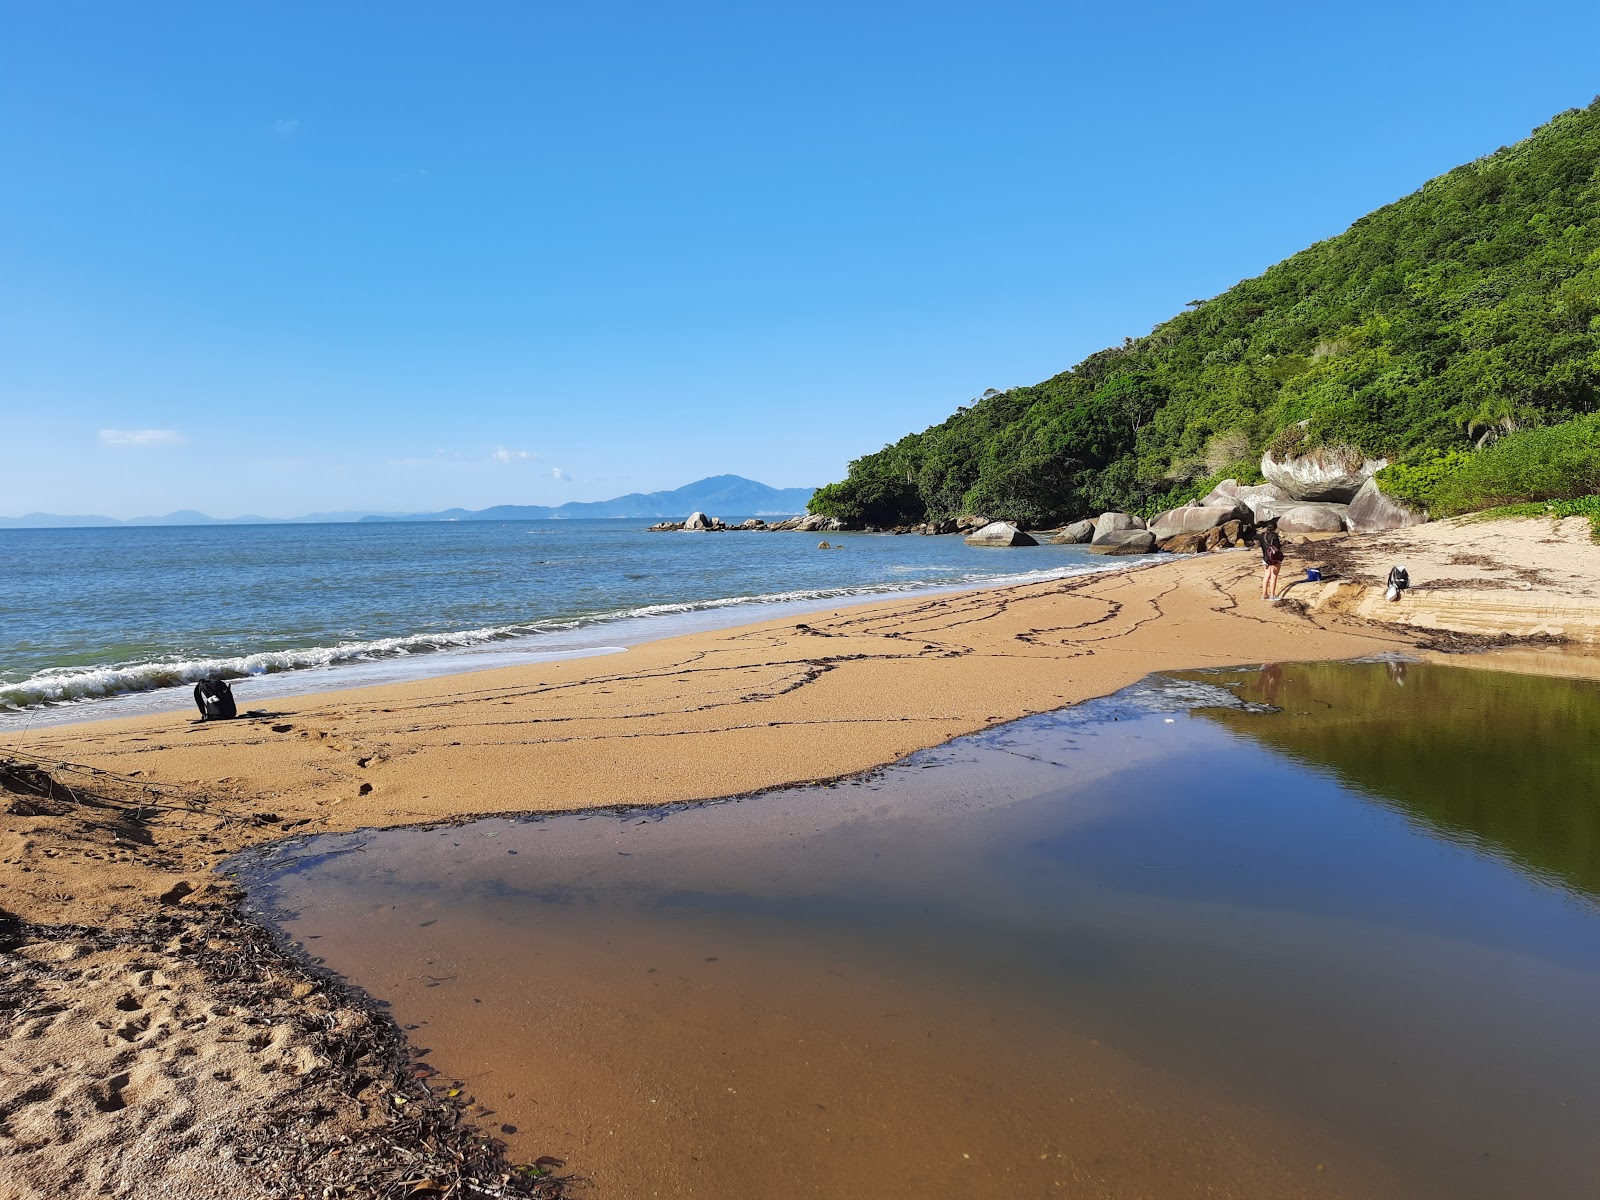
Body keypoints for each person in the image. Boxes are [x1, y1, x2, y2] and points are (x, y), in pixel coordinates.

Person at [1258, 517, 1284, 600]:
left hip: (1265, 558)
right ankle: (1272, 595)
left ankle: (1264, 594)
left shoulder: (1262, 536)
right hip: (1274, 559)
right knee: (1273, 576)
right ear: (1275, 527)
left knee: (1266, 576)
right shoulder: (1275, 536)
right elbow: (1278, 548)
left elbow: (1257, 540)